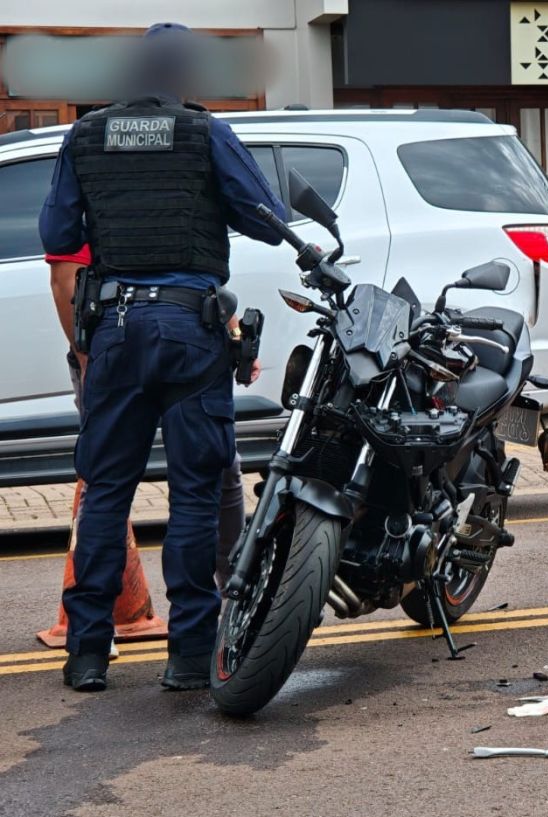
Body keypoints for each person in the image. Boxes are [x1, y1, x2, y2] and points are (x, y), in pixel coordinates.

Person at [39, 22, 287, 692]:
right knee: (197, 492)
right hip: (188, 332)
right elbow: (266, 214)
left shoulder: (85, 135)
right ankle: (187, 657)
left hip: (112, 333)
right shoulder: (205, 133)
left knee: (106, 494)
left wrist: (83, 344)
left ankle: (87, 653)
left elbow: (59, 235)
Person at [47, 245, 251, 588]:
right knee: (106, 482)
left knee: (219, 470)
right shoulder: (97, 194)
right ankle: (100, 618)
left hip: (173, 332)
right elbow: (63, 278)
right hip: (113, 346)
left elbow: (201, 270)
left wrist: (232, 331)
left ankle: (235, 589)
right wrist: (86, 358)